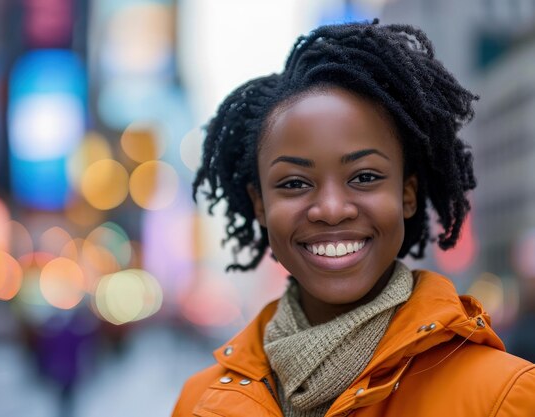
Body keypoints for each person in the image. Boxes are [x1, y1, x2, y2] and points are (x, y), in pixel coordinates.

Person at [172, 20, 535, 417]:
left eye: (364, 177)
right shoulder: (197, 402)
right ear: (259, 204)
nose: (331, 209)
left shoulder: (503, 396)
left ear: (407, 194)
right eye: (294, 183)